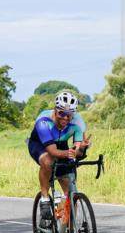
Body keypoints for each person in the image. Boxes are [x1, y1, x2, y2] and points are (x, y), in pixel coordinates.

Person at [27, 91, 92, 226]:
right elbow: (52, 151)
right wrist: (68, 154)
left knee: (70, 191)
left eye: (69, 115)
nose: (65, 118)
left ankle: (67, 231)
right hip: (39, 143)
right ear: (55, 110)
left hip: (60, 142)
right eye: (62, 113)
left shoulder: (77, 121)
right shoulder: (43, 120)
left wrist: (82, 148)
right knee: (48, 161)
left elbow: (77, 150)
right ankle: (45, 199)